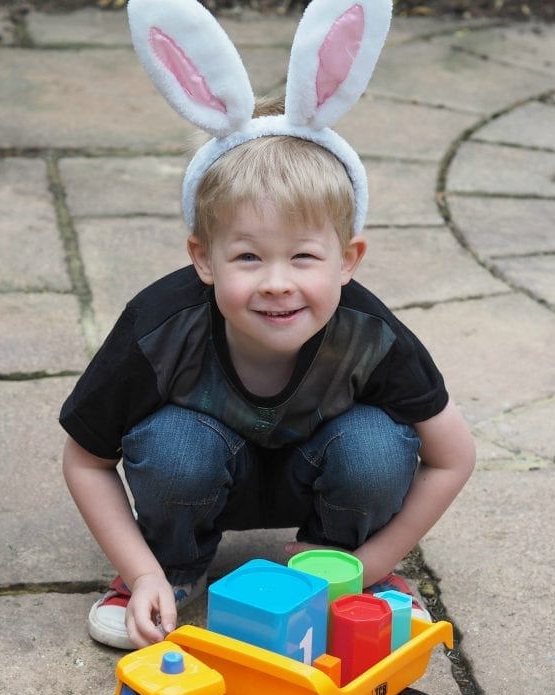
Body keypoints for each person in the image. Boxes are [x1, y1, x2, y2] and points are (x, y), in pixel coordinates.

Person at [58, 0, 476, 651]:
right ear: (202, 257)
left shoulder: (372, 336)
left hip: (324, 482)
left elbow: (453, 456)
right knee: (170, 446)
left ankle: (341, 571)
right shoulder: (158, 330)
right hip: (202, 475)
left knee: (376, 444)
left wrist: (373, 559)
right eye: (248, 256)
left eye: (304, 256)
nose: (277, 282)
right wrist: (140, 569)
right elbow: (86, 460)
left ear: (348, 260)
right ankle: (169, 570)